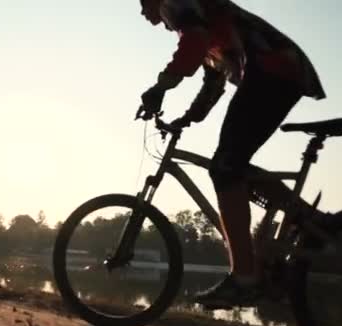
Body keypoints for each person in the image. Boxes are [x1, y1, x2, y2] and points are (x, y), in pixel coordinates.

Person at [138, 0, 325, 309]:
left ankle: (244, 278)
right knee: (230, 165)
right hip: (281, 68)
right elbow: (213, 83)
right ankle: (307, 219)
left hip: (272, 69)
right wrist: (187, 118)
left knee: (225, 168)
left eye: (142, 3)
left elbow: (193, 44)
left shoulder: (174, 4)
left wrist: (160, 87)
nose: (142, 11)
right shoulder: (204, 21)